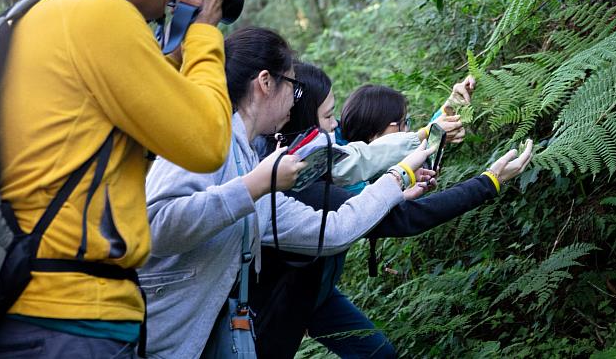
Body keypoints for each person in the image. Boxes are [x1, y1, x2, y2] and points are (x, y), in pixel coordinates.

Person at [0, 0, 233, 358]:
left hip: (24, 310)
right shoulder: (99, 14)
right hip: (75, 321)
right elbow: (206, 143)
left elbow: (111, 134)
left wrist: (175, 57)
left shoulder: (36, 14)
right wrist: (203, 32)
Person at [138, 27, 436, 358]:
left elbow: (332, 232)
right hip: (146, 338)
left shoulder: (250, 156)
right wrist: (254, 186)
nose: (296, 104)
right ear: (265, 82)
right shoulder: (205, 135)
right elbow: (155, 226)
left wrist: (399, 176)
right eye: (293, 87)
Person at [250, 63, 533, 358]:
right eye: (328, 116)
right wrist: (489, 182)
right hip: (280, 305)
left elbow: (373, 152)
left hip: (316, 293)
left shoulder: (331, 152)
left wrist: (446, 114)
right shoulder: (304, 181)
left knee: (379, 354)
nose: (335, 127)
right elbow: (403, 216)